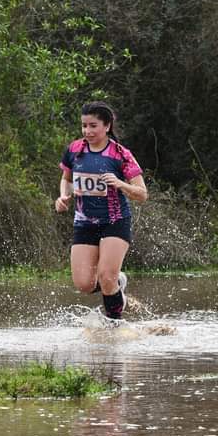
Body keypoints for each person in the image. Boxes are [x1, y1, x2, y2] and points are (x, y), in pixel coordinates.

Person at [55, 101, 148, 320]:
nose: (87, 131)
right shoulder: (74, 150)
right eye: (84, 126)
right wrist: (63, 196)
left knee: (106, 277)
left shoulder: (120, 154)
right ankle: (119, 283)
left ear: (107, 126)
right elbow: (66, 179)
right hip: (84, 222)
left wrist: (120, 183)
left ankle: (113, 325)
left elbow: (142, 194)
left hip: (115, 221)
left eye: (93, 126)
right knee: (84, 284)